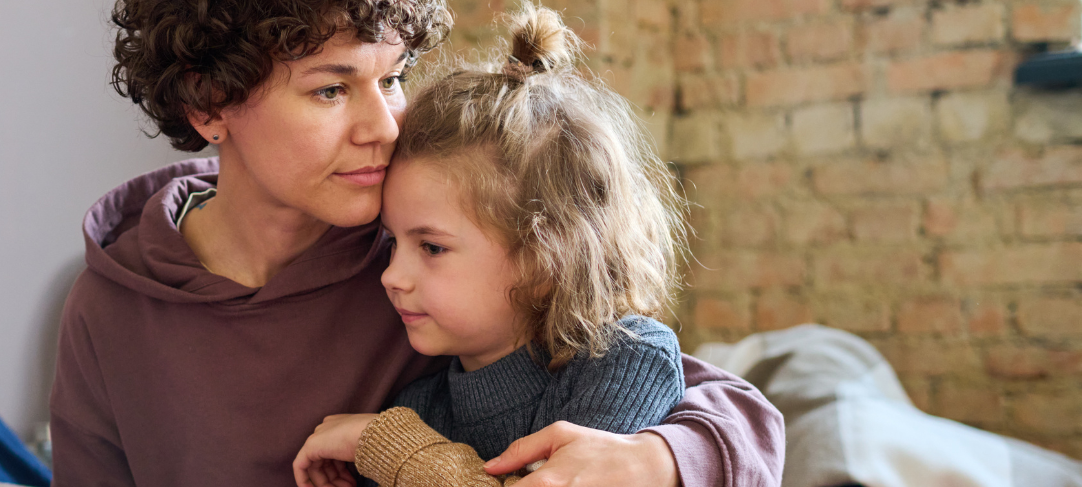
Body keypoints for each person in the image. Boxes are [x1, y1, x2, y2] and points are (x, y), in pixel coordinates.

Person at [49, 0, 785, 486]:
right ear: (209, 103)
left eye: (393, 78)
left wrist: (656, 459)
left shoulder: (434, 250)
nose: (384, 126)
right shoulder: (110, 309)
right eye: (330, 90)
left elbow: (728, 408)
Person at [290, 6, 690, 486]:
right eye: (394, 242)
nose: (391, 275)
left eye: (432, 248)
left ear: (547, 259)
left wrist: (388, 447)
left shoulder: (627, 360)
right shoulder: (417, 407)